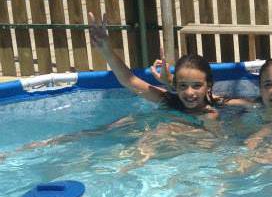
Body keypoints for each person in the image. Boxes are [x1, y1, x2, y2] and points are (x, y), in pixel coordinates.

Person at [88, 12, 247, 120]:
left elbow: (254, 104)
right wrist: (106, 51)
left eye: (197, 85)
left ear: (209, 85)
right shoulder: (169, 100)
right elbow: (129, 81)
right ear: (175, 86)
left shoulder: (217, 106)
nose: (189, 92)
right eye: (183, 85)